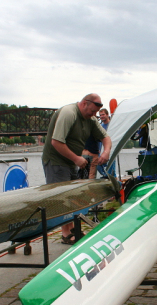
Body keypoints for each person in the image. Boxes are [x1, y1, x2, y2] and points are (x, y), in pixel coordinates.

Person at [42, 94, 112, 244]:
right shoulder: (69, 113)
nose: (94, 116)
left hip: (71, 162)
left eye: (96, 113)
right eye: (92, 111)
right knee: (61, 198)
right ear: (84, 104)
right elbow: (56, 142)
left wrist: (105, 152)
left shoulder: (90, 118)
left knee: (72, 196)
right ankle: (65, 234)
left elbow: (106, 138)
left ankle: (73, 228)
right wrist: (77, 159)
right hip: (56, 161)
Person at [96, 108, 116, 178]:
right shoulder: (100, 126)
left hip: (111, 150)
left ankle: (112, 178)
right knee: (98, 164)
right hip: (101, 150)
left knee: (111, 167)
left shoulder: (112, 125)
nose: (102, 116)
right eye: (100, 115)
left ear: (107, 115)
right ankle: (106, 176)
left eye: (103, 114)